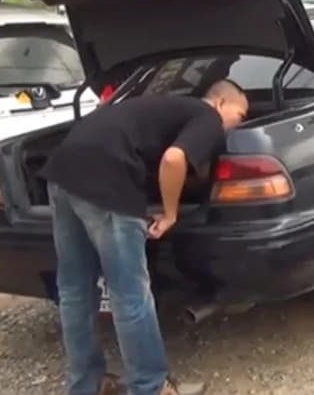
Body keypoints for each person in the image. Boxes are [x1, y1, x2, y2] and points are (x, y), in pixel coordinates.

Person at [40, 80, 249, 395]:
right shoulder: (207, 117)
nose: (240, 122)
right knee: (130, 293)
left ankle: (87, 385)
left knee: (74, 290)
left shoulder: (155, 106)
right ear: (220, 102)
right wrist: (170, 213)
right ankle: (150, 387)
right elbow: (173, 160)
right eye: (241, 114)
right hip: (106, 183)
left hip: (61, 174)